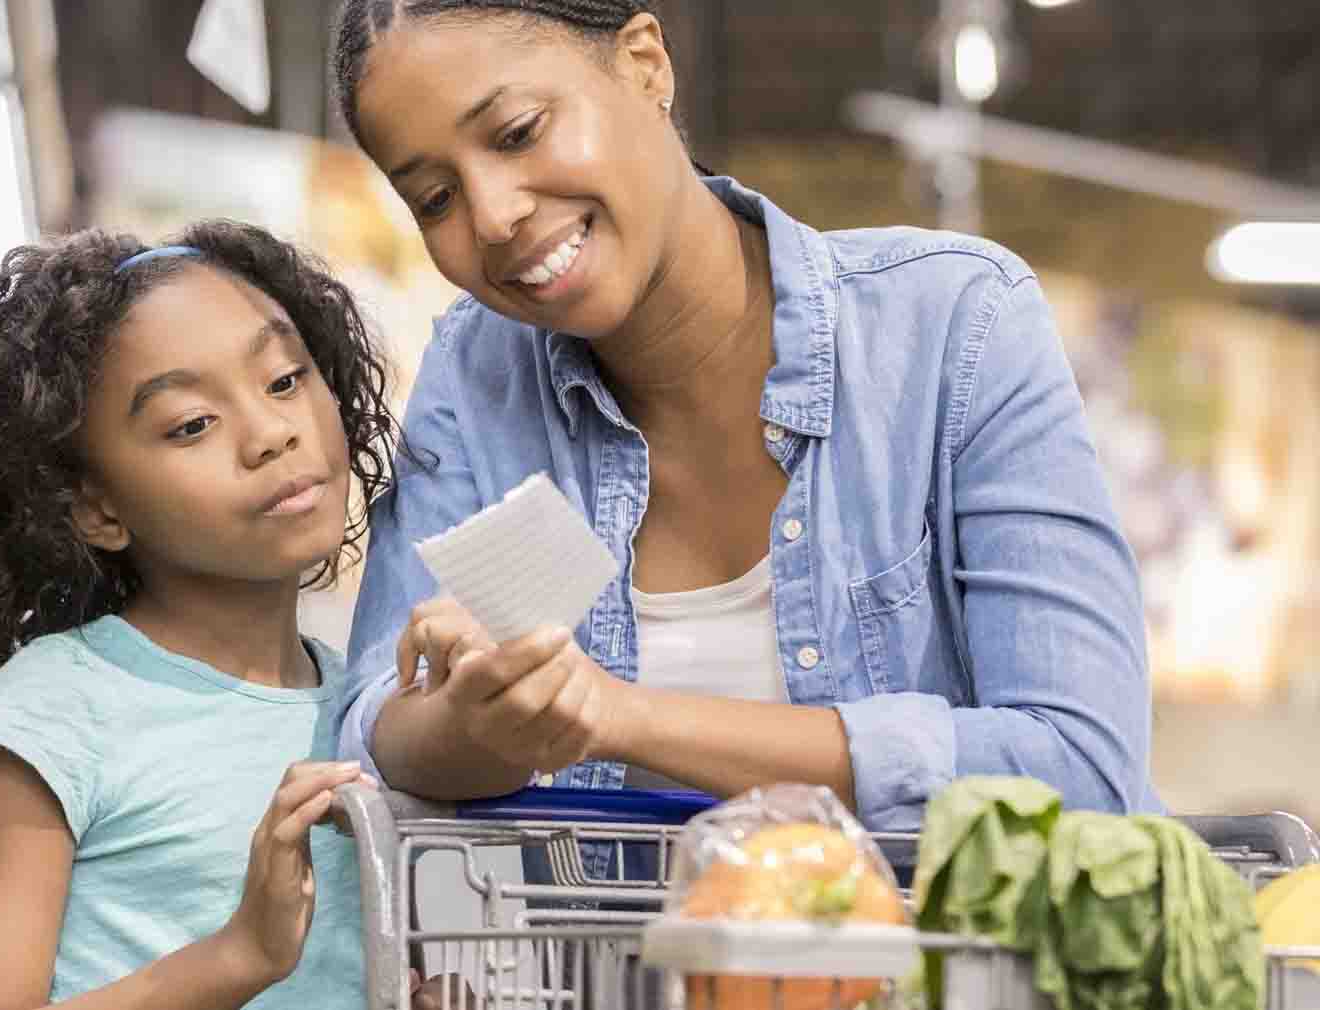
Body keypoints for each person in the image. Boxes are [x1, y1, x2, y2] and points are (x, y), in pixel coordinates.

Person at [325, 0, 1161, 834]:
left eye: (516, 133)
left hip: (941, 965)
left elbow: (1081, 768)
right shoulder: (478, 377)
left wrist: (618, 715)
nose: (494, 215)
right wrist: (473, 727)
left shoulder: (954, 326)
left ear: (645, 64)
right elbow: (373, 728)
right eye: (435, 198)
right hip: (602, 969)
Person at [0, 221, 411, 1009]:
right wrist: (237, 956)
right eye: (191, 425)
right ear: (96, 508)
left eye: (283, 380)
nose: (272, 435)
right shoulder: (56, 713)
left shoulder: (366, 708)